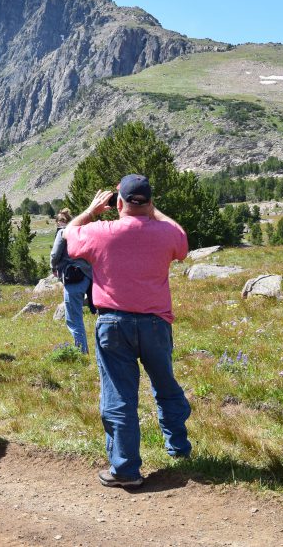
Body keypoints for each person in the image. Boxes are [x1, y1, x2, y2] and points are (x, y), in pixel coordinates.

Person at [63, 174, 191, 489]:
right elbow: (182, 239)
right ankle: (179, 450)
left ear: (117, 203)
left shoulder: (100, 232)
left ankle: (125, 468)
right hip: (156, 323)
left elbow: (69, 233)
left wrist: (92, 210)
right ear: (148, 202)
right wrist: (152, 211)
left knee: (119, 395)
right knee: (166, 387)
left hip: (113, 324)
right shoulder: (165, 233)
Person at [50, 208, 92, 354]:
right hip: (87, 274)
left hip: (73, 277)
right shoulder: (81, 232)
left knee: (73, 317)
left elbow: (55, 254)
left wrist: (53, 267)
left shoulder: (62, 233)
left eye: (60, 221)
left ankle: (81, 351)